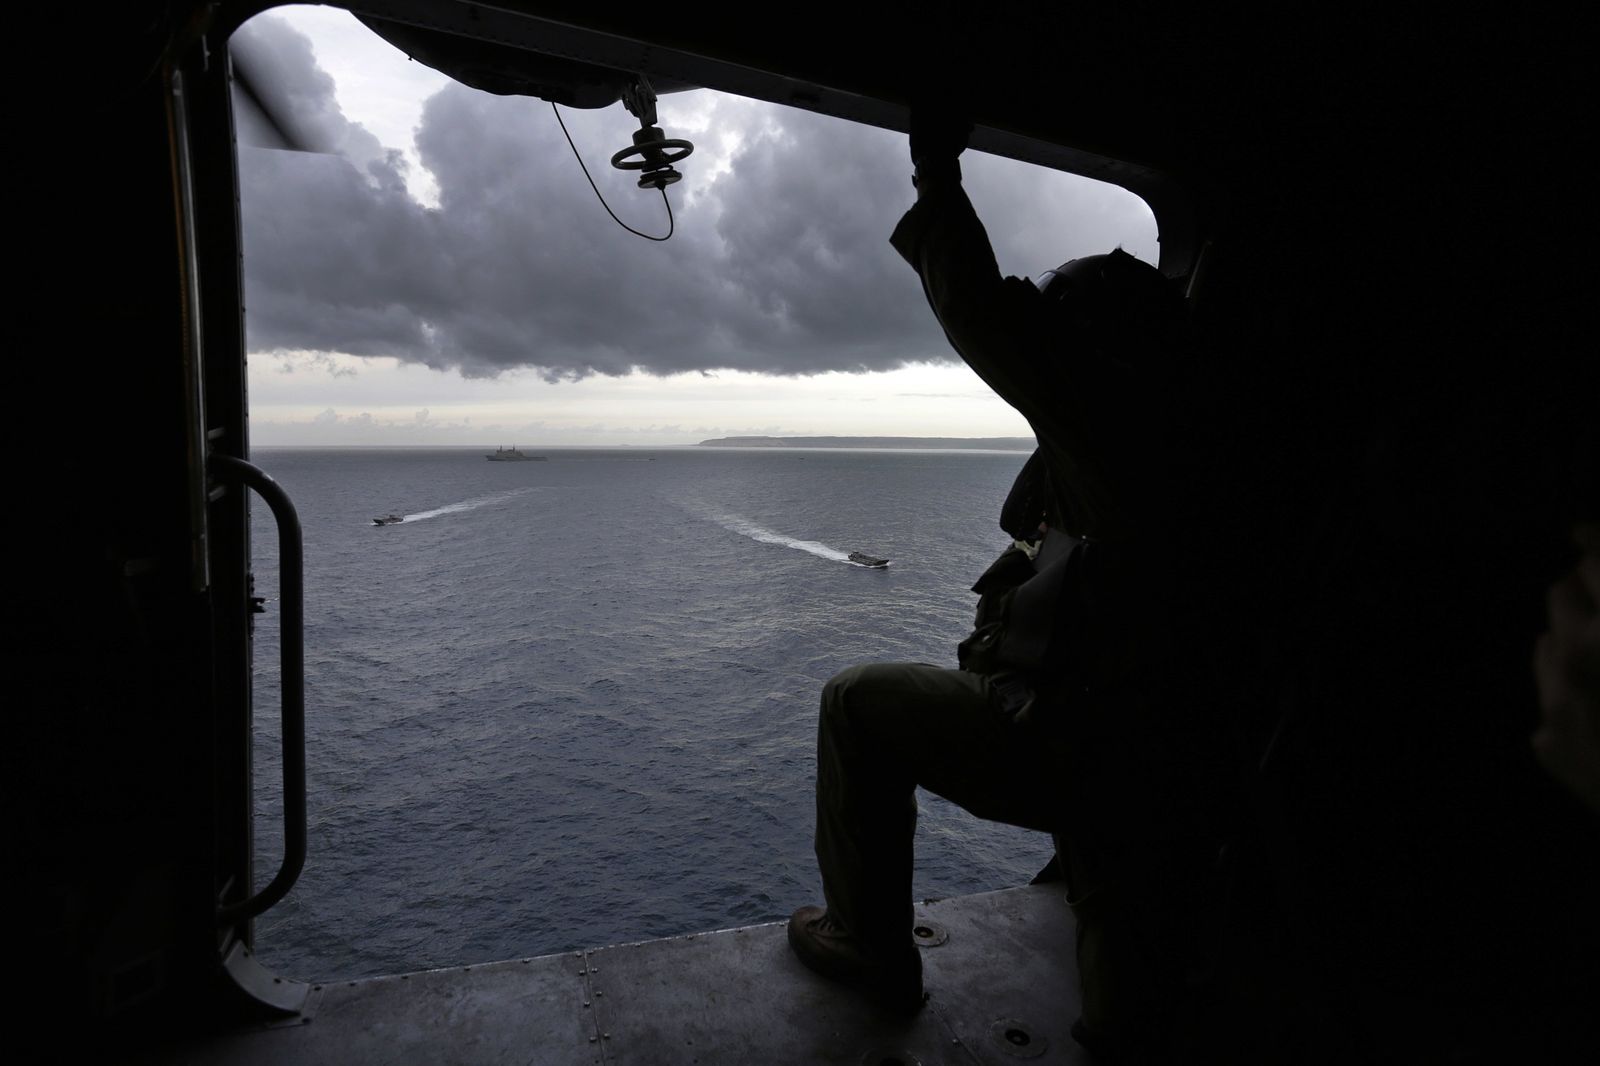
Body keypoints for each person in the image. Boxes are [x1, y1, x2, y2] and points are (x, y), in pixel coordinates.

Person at [786, 107, 1214, 1054]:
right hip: (1168, 745)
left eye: (1057, 316)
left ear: (1095, 347)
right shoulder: (1205, 442)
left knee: (856, 702)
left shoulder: (1113, 428)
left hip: (1081, 741)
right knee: (1126, 943)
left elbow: (986, 313)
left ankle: (872, 949)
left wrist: (938, 174)